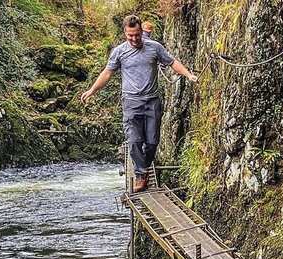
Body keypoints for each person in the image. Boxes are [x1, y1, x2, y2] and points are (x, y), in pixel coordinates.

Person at [80, 15, 197, 193]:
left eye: (137, 35)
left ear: (142, 31)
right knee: (134, 140)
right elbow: (107, 73)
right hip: (131, 102)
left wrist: (188, 75)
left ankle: (143, 166)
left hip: (152, 101)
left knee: (152, 142)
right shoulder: (119, 52)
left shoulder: (154, 48)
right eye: (130, 36)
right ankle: (141, 174)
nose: (134, 39)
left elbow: (172, 62)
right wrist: (92, 90)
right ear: (125, 33)